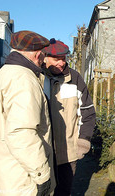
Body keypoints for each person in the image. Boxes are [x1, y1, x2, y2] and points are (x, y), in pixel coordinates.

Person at [0, 30, 56, 196]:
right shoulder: (23, 79)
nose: (44, 60)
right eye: (44, 55)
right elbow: (21, 132)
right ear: (38, 54)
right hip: (24, 177)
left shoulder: (2, 75)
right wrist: (42, 176)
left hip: (7, 170)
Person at [42, 38, 96, 196]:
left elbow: (88, 112)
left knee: (64, 192)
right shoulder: (36, 77)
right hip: (41, 152)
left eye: (63, 58)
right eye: (56, 59)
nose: (61, 63)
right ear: (45, 57)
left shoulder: (75, 78)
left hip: (68, 153)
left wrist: (83, 142)